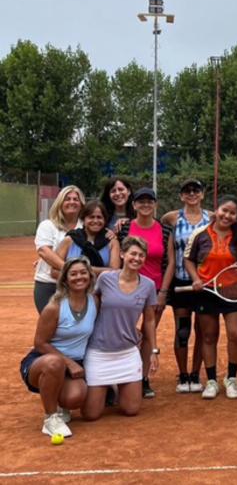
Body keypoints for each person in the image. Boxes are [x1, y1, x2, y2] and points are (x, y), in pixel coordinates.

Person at [81, 237, 159, 421]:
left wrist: (154, 351)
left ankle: (115, 386)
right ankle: (107, 385)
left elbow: (149, 321)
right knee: (91, 415)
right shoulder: (105, 278)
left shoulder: (148, 285)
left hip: (127, 352)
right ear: (122, 254)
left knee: (131, 410)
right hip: (99, 351)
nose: (137, 258)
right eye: (133, 253)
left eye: (141, 255)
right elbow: (93, 306)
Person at [20, 256, 98, 438]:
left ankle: (60, 400)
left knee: (75, 398)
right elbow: (39, 343)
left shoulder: (94, 301)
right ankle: (50, 418)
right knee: (55, 363)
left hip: (73, 364)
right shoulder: (54, 307)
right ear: (64, 279)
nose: (79, 277)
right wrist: (68, 362)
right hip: (44, 361)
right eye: (73, 274)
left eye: (83, 273)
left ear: (90, 276)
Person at [184, 195, 237, 400]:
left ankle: (231, 378)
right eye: (225, 210)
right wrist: (195, 278)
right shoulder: (200, 233)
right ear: (217, 210)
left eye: (233, 213)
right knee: (208, 336)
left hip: (234, 291)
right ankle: (212, 381)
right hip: (207, 291)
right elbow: (188, 259)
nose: (228, 215)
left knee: (235, 334)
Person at [117, 187, 174, 398]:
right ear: (133, 205)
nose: (146, 205)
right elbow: (116, 254)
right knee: (125, 332)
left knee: (149, 333)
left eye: (150, 201)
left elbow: (170, 262)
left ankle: (142, 379)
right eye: (141, 201)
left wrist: (163, 292)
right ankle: (122, 376)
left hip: (155, 289)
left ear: (156, 205)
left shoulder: (165, 229)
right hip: (127, 288)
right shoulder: (124, 228)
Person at [160, 179, 211, 394]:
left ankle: (195, 373)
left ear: (202, 194)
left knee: (202, 330)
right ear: (181, 196)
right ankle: (182, 374)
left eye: (196, 190)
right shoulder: (171, 218)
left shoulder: (212, 217)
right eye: (187, 191)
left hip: (205, 282)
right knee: (183, 330)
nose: (192, 194)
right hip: (181, 280)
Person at [34, 185, 85, 313]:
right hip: (48, 284)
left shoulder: (86, 227)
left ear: (81, 204)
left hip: (79, 285)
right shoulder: (48, 225)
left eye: (75, 199)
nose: (72, 202)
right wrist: (70, 270)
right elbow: (44, 251)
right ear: (60, 202)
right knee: (50, 327)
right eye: (67, 199)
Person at [54, 200, 120, 277]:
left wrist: (79, 269)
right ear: (83, 219)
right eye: (91, 217)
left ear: (105, 220)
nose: (95, 221)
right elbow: (54, 272)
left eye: (99, 217)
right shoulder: (70, 239)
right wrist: (77, 277)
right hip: (72, 287)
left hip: (101, 288)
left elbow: (114, 271)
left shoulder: (112, 242)